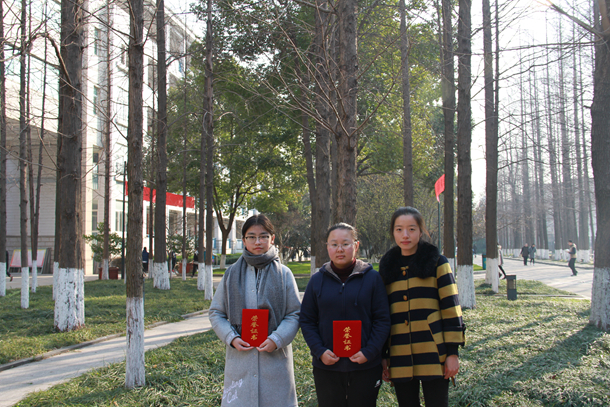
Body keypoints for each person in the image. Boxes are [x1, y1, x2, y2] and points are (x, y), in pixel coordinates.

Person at [209, 214, 301, 407]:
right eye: (251, 236)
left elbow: (294, 313)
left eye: (263, 236)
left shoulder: (284, 274)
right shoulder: (231, 273)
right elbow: (216, 312)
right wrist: (231, 337)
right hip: (240, 359)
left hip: (274, 361)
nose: (257, 241)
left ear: (272, 238)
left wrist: (276, 339)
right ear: (243, 240)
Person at [379, 207, 465, 407]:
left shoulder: (437, 263)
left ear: (421, 231)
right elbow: (382, 315)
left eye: (411, 229)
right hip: (398, 354)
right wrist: (383, 356)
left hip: (434, 353)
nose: (405, 235)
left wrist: (452, 353)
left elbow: (452, 309)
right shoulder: (387, 267)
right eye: (399, 229)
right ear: (393, 232)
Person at [300, 223, 391, 407]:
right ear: (327, 247)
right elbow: (307, 320)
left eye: (345, 244)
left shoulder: (372, 278)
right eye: (334, 244)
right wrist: (320, 351)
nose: (339, 249)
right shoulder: (317, 280)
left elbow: (382, 320)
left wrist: (370, 352)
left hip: (365, 366)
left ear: (356, 246)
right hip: (327, 366)